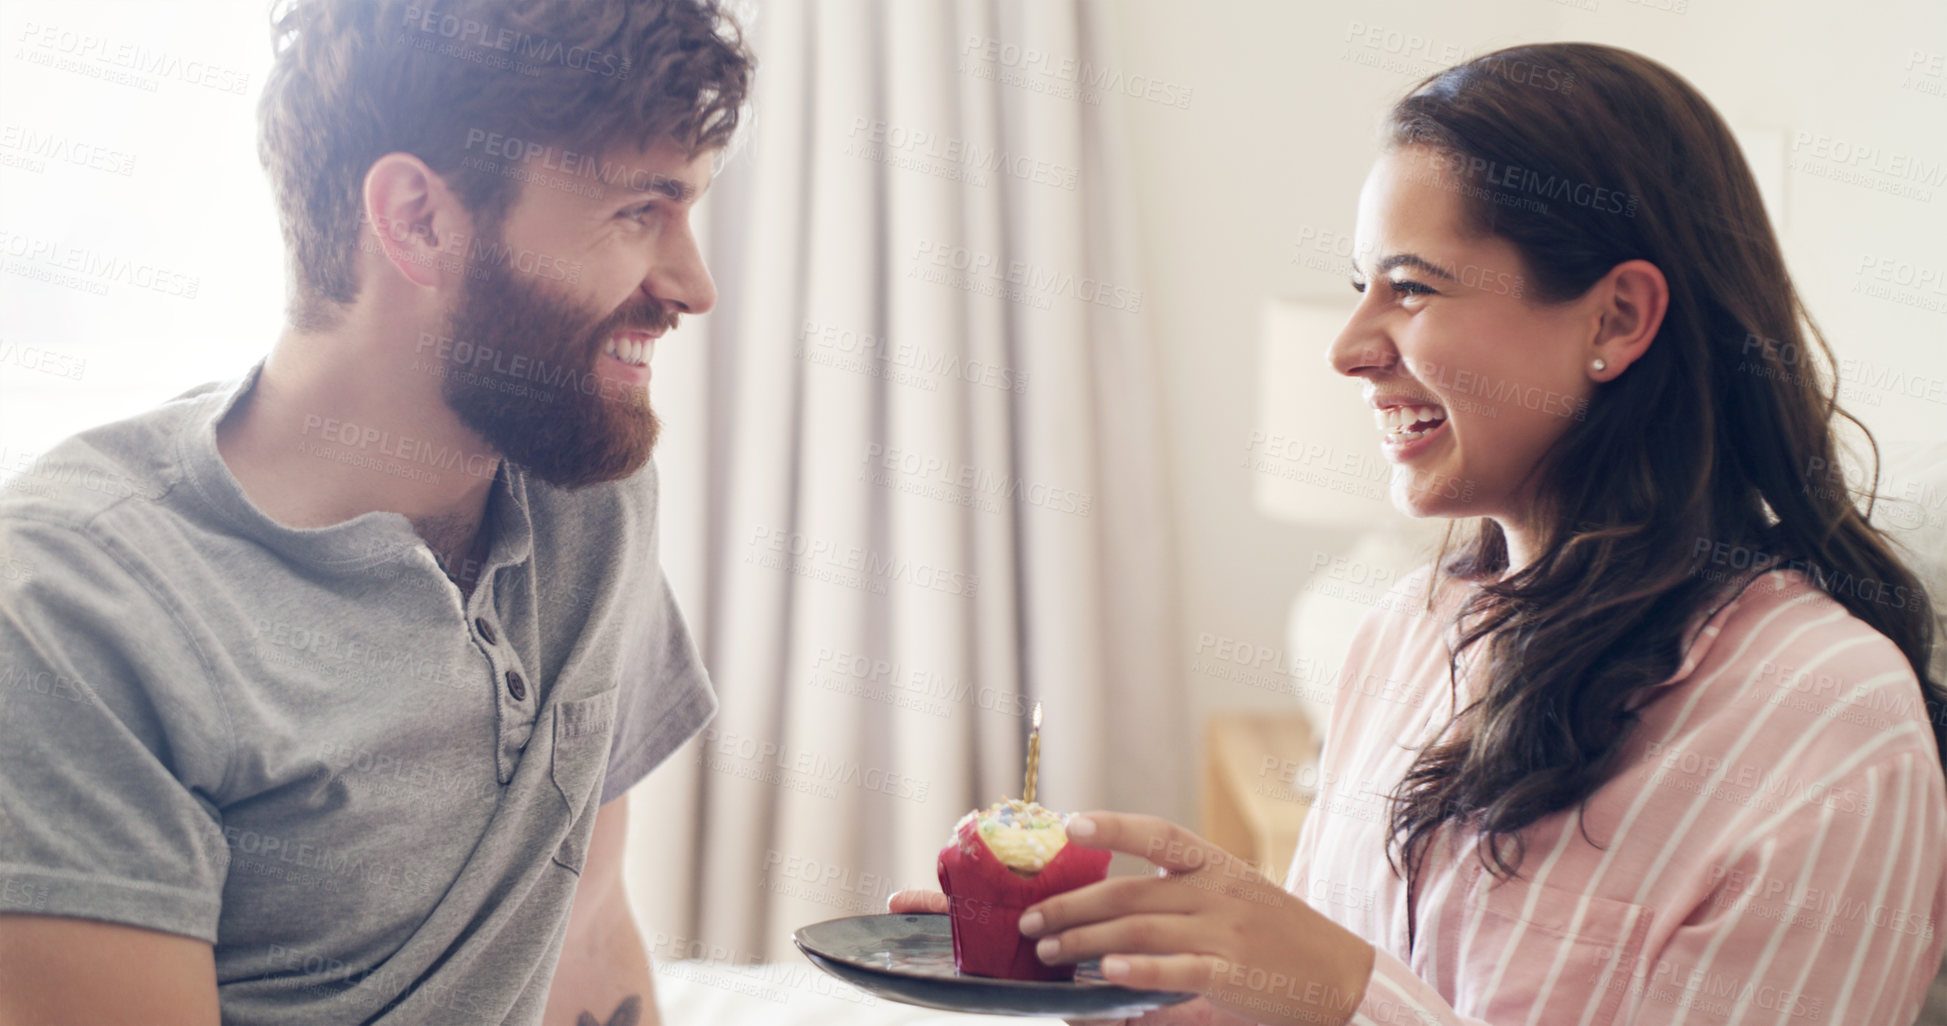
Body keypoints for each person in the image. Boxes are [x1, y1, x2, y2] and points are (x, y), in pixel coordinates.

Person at [894, 42, 1947, 1025]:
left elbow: (1351, 998)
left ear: (1617, 319)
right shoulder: (1402, 636)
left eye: (1411, 288)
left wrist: (1350, 997)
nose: (1350, 348)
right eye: (1364, 288)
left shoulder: (1832, 733)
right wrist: (1103, 983)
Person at [0, 1, 752, 1023]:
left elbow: (586, 925)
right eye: (639, 213)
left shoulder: (589, 487)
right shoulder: (69, 609)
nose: (693, 285)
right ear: (417, 218)